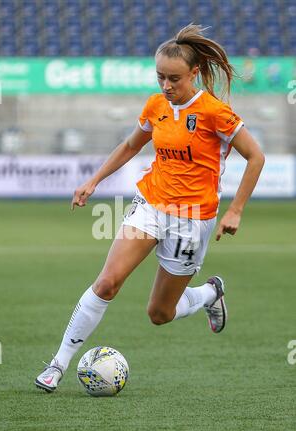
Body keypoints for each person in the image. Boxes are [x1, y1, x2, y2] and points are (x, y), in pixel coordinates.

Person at [35, 24, 265, 392]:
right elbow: (130, 145)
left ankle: (210, 293)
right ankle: (58, 365)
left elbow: (256, 157)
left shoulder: (214, 113)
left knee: (160, 314)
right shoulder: (156, 105)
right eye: (160, 77)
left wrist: (236, 210)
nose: (166, 86)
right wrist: (94, 180)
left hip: (192, 219)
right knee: (107, 283)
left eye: (174, 78)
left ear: (193, 73)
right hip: (151, 204)